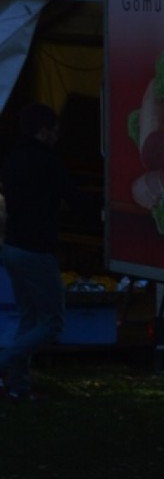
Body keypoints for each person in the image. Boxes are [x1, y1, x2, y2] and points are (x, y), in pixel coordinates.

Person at [0, 104, 82, 399]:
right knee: (52, 323)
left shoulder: (10, 159)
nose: (57, 137)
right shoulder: (47, 161)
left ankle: (19, 386)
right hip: (37, 250)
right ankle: (5, 363)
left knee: (28, 318)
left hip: (11, 247)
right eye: (55, 131)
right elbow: (74, 198)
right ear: (43, 131)